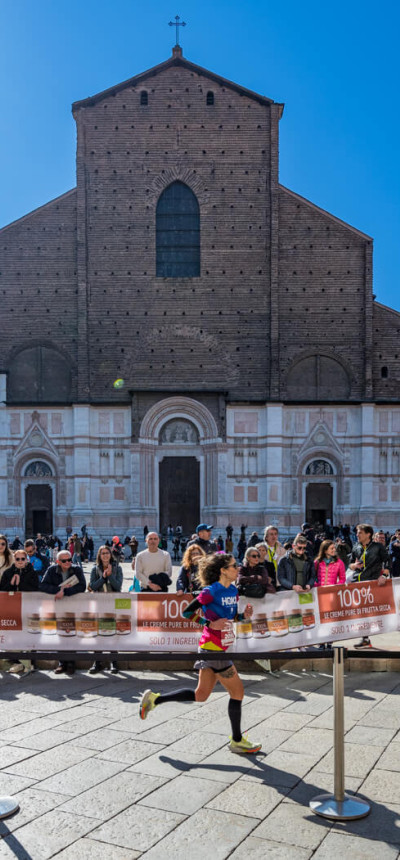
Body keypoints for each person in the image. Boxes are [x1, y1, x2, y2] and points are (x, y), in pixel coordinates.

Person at [139, 551, 262, 755]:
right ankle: (237, 740)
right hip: (212, 648)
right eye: (233, 566)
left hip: (220, 646)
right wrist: (208, 622)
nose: (237, 568)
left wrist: (243, 616)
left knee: (201, 695)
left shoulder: (233, 590)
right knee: (238, 692)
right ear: (223, 571)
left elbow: (230, 618)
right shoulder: (210, 591)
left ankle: (154, 700)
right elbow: (187, 612)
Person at [40, 551, 86, 674]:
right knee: (60, 633)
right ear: (58, 562)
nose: (67, 563)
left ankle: (71, 662)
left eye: (69, 560)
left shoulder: (77, 570)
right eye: (64, 561)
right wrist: (57, 590)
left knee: (72, 632)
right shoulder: (51, 570)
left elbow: (82, 586)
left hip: (73, 606)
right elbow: (43, 585)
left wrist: (64, 592)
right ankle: (61, 662)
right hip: (58, 606)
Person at [348, 523, 391, 648]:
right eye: (357, 532)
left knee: (373, 611)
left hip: (372, 584)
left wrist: (384, 576)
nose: (357, 535)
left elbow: (387, 561)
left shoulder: (378, 547)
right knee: (361, 613)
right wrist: (354, 566)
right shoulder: (356, 547)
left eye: (360, 532)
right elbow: (350, 564)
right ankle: (365, 638)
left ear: (368, 534)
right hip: (358, 583)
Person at [0, 549, 39, 675]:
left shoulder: (32, 573)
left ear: (26, 560)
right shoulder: (8, 572)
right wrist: (11, 583)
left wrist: (20, 582)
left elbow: (35, 588)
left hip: (28, 607)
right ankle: (14, 661)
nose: (20, 561)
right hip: (12, 608)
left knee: (28, 633)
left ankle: (30, 663)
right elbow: (2, 590)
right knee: (13, 634)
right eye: (18, 559)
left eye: (23, 559)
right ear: (14, 560)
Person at [88, 545, 123, 674]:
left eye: (107, 553)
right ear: (99, 555)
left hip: (113, 604)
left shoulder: (117, 568)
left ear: (110, 554)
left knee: (112, 632)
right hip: (99, 604)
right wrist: (103, 578)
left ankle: (114, 661)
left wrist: (110, 576)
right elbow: (92, 586)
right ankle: (97, 661)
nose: (105, 555)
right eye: (102, 553)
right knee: (98, 633)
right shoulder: (94, 569)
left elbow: (118, 586)